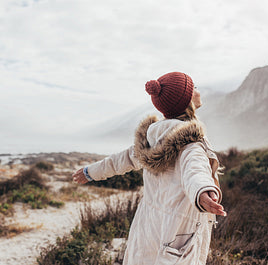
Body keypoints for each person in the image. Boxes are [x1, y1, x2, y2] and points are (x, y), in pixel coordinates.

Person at [72, 72, 226, 265]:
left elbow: (119, 160)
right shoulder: (191, 144)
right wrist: (203, 191)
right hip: (178, 230)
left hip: (149, 225)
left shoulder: (152, 139)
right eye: (194, 87)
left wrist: (90, 172)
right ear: (186, 101)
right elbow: (195, 170)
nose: (198, 91)